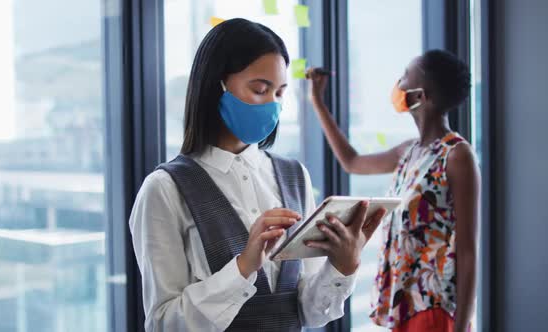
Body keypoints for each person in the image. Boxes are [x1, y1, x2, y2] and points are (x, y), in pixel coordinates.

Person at [129, 18, 386, 331]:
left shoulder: (294, 176)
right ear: (216, 84)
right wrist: (243, 267)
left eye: (279, 93)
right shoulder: (165, 189)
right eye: (260, 89)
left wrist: (342, 267)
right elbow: (162, 323)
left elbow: (308, 313)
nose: (272, 105)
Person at [306, 49, 480, 332]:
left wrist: (461, 328)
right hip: (403, 306)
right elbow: (352, 162)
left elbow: (468, 250)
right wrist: (317, 102)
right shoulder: (409, 151)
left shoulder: (457, 155)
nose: (397, 84)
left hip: (433, 307)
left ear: (419, 96)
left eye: (404, 77)